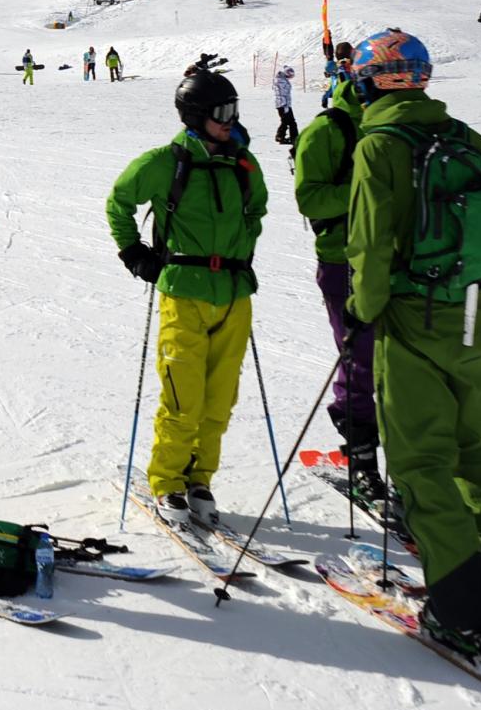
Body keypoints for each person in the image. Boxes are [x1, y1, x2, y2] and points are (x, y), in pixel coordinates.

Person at [340, 27, 481, 653]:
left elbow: (368, 243)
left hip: (412, 316)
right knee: (474, 455)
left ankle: (461, 609)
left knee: (423, 464)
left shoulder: (380, 145)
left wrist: (361, 313)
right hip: (474, 313)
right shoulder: (473, 140)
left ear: (370, 81)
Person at [106, 64, 267, 527]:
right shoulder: (164, 162)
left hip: (235, 294)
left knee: (220, 400)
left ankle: (201, 479)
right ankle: (168, 481)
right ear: (195, 115)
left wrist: (238, 246)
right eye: (222, 111)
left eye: (235, 109)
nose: (230, 119)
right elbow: (119, 201)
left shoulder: (242, 163)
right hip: (184, 293)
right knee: (183, 397)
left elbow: (257, 206)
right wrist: (134, 251)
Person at [288, 73, 378, 500]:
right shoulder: (327, 130)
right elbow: (310, 198)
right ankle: (363, 461)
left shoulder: (392, 126)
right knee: (359, 361)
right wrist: (369, 192)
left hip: (399, 263)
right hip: (344, 261)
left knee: (404, 367)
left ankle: (417, 466)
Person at [271, 63, 298, 146]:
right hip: (283, 105)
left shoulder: (282, 79)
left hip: (285, 104)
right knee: (289, 121)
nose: (290, 78)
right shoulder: (280, 81)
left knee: (286, 121)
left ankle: (281, 136)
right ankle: (293, 138)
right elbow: (282, 94)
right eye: (290, 75)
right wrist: (285, 106)